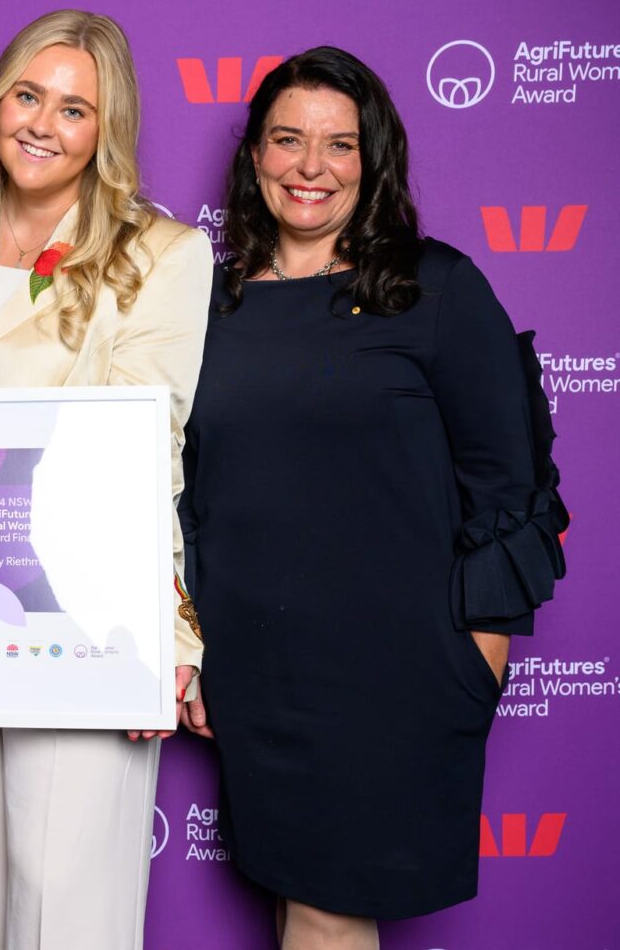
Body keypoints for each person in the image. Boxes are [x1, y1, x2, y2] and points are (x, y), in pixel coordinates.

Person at [179, 46, 566, 949]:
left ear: (372, 159)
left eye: (339, 145)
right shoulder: (210, 304)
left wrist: (480, 658)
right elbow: (187, 491)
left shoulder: (436, 289)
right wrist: (189, 645)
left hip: (393, 672)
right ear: (255, 158)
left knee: (325, 910)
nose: (311, 167)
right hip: (259, 671)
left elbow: (509, 485)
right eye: (287, 140)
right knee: (297, 898)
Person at [0, 9, 210, 950]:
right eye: (27, 96)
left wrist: (168, 635)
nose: (42, 122)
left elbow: (148, 442)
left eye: (74, 109)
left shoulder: (161, 253)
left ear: (102, 133)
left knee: (67, 906)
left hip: (86, 611)